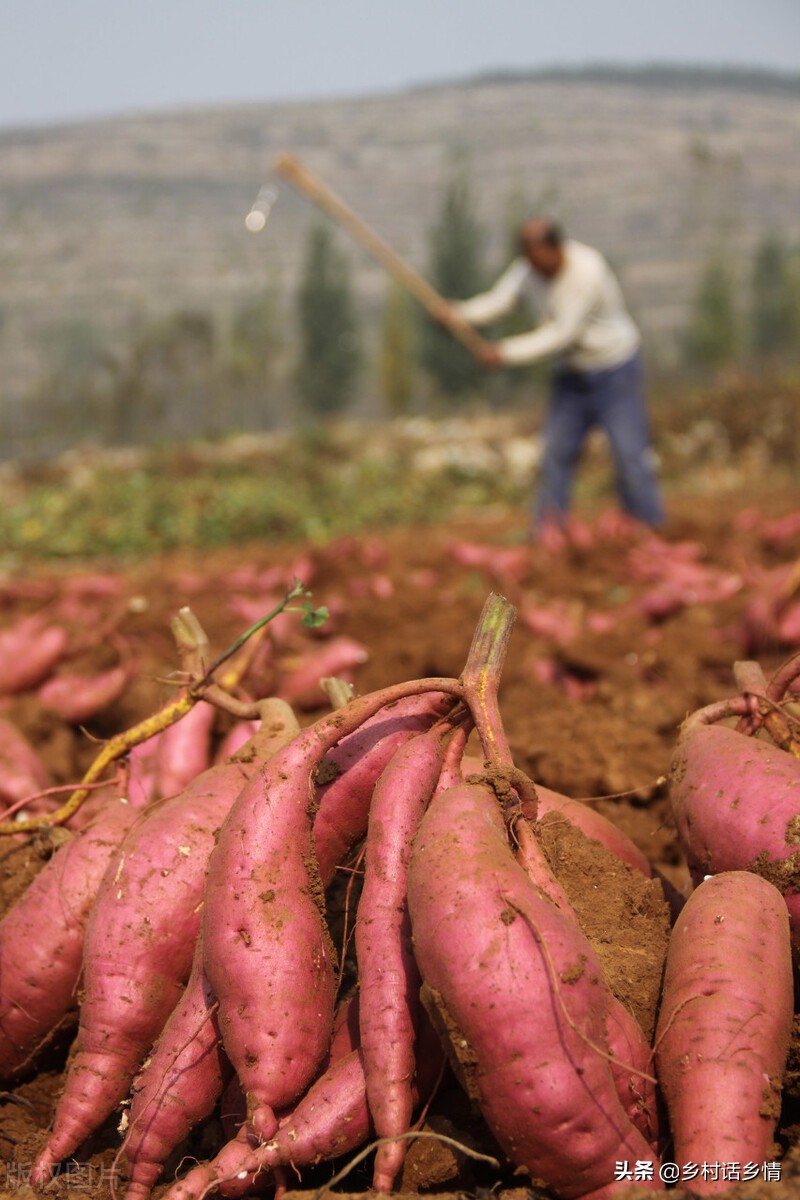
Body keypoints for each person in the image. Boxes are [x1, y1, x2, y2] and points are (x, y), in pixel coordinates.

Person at [443, 218, 665, 533]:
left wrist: (505, 353)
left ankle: (648, 528)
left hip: (615, 372)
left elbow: (561, 334)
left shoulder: (587, 270)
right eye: (529, 261)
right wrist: (458, 314)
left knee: (630, 457)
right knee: (555, 457)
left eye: (539, 261)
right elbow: (500, 301)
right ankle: (548, 534)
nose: (534, 270)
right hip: (571, 376)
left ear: (557, 248)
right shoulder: (528, 269)